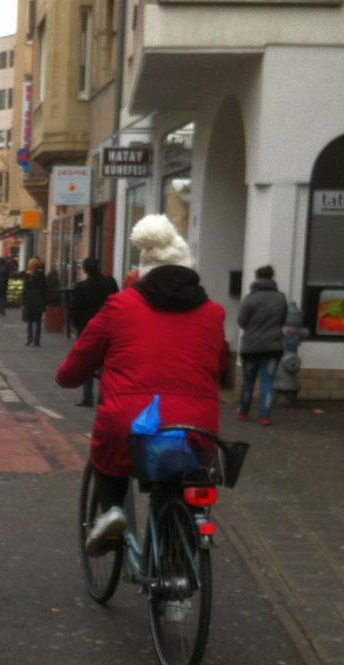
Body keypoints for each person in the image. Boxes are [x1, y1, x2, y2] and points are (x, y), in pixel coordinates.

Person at [56, 214, 228, 552]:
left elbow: (83, 355)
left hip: (132, 423)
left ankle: (113, 511)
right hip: (196, 426)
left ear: (142, 270)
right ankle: (189, 542)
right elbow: (219, 368)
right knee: (190, 481)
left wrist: (68, 377)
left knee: (107, 456)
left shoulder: (121, 305)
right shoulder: (213, 312)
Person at [236, 265, 287, 426]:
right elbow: (282, 320)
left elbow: (241, 322)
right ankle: (264, 416)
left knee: (248, 381)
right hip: (273, 347)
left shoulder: (250, 298)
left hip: (251, 347)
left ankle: (244, 412)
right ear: (272, 277)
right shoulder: (280, 298)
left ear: (256, 278)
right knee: (268, 382)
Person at [69, 257, 119, 407]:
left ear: (85, 270)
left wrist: (78, 326)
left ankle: (88, 397)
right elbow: (117, 302)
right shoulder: (110, 283)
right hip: (108, 328)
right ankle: (104, 395)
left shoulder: (82, 287)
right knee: (106, 363)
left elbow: (74, 310)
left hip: (87, 329)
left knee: (87, 363)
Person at [21, 257, 48, 346]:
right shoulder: (41, 274)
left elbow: (24, 289)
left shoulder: (27, 275)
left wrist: (23, 302)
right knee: (38, 321)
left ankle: (29, 339)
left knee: (29, 321)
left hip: (29, 300)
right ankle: (37, 340)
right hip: (39, 299)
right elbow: (45, 288)